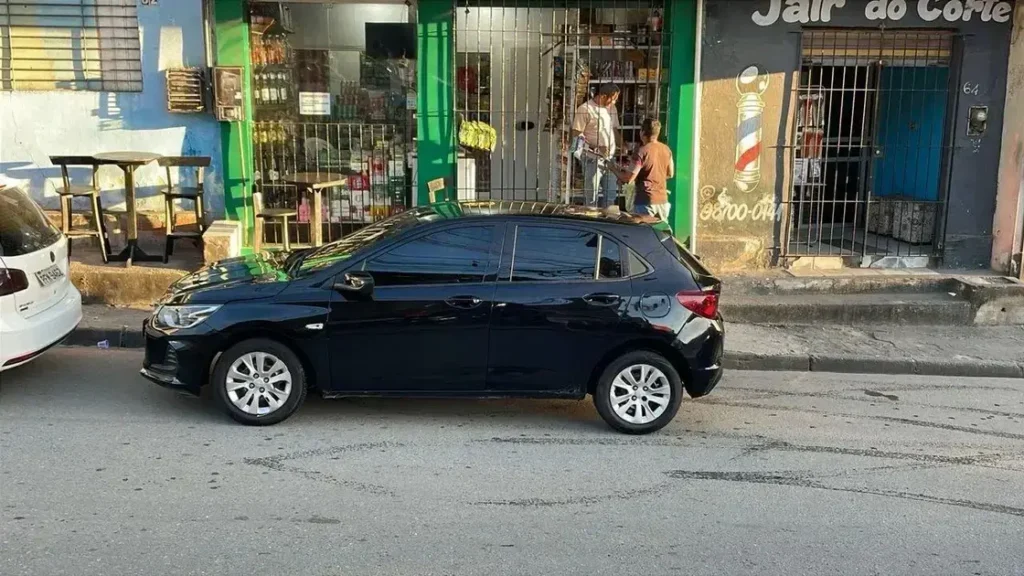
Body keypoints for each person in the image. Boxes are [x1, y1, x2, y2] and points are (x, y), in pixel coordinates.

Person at [570, 83, 625, 208]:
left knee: (610, 194)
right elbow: (576, 136)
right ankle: (591, 219)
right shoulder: (585, 109)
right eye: (613, 98)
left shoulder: (611, 109)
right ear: (603, 96)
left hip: (609, 159)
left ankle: (607, 220)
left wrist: (623, 145)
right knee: (592, 196)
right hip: (592, 159)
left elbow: (614, 130)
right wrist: (595, 147)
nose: (615, 102)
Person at [612, 118, 674, 222]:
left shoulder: (641, 152)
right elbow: (670, 174)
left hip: (645, 200)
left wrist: (613, 168)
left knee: (643, 233)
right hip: (663, 200)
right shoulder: (666, 150)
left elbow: (628, 178)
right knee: (660, 233)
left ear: (642, 133)